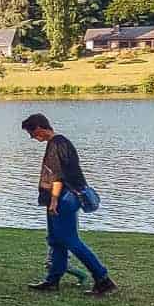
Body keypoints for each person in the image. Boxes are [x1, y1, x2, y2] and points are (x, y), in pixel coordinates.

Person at [22, 113, 116, 296]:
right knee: (56, 240)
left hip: (63, 198)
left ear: (39, 129)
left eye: (31, 133)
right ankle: (52, 280)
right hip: (65, 197)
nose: (32, 138)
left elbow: (57, 176)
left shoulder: (56, 145)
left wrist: (54, 200)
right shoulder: (61, 142)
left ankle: (103, 279)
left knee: (71, 241)